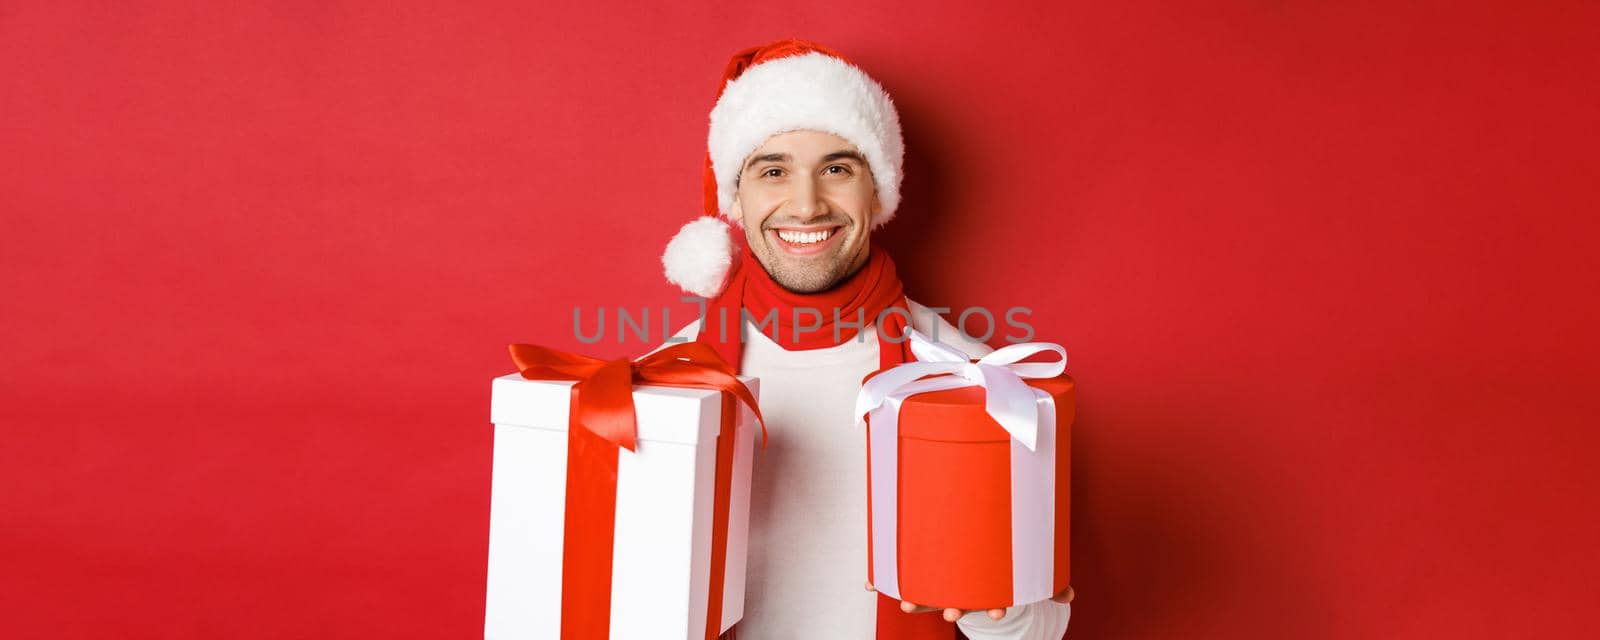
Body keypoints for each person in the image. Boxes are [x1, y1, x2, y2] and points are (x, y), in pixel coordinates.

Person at [655, 39, 1074, 639]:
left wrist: (995, 606)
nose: (805, 205)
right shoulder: (658, 387)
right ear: (735, 198)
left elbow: (1041, 629)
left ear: (877, 191)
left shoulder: (977, 383)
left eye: (837, 168)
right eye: (773, 171)